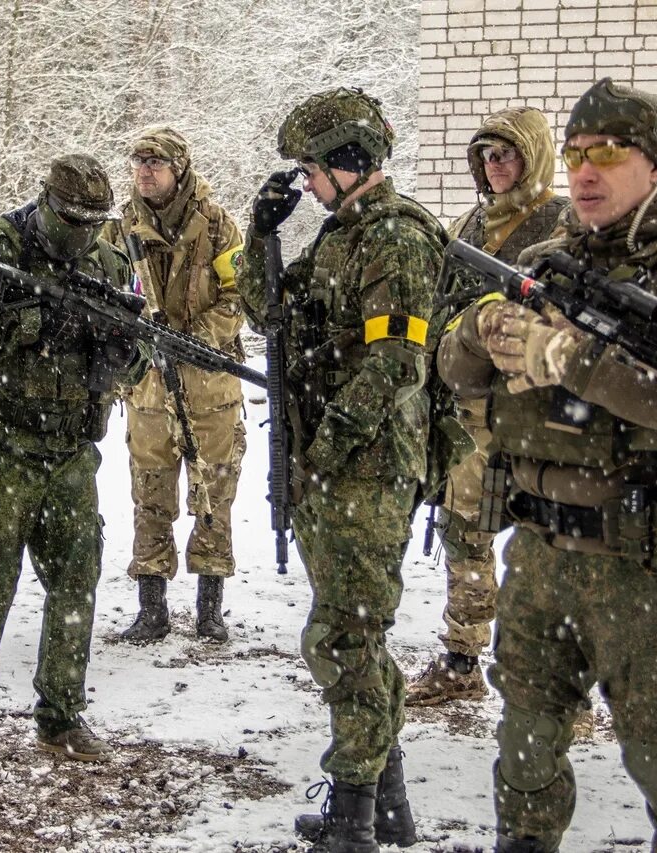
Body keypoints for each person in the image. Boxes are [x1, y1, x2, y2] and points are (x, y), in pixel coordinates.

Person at [438, 78, 657, 852]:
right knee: (524, 743)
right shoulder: (545, 262)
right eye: (577, 153)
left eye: (609, 153)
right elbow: (454, 368)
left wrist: (572, 358)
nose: (586, 171)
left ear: (654, 166)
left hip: (646, 563)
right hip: (541, 550)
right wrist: (480, 331)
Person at [237, 87, 449, 852]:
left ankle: (355, 812)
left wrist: (324, 449)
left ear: (352, 165)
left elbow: (396, 361)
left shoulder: (397, 240)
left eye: (313, 169)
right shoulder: (338, 237)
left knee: (344, 638)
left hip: (367, 471)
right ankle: (383, 802)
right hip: (334, 470)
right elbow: (268, 315)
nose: (308, 183)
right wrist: (259, 236)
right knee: (355, 635)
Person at [0, 154, 147, 768]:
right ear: (45, 204)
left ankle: (62, 717)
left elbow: (140, 354)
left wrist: (121, 349)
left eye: (94, 220)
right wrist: (22, 326)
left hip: (72, 450)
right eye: (72, 218)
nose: (83, 230)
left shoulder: (108, 263)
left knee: (76, 582)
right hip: (0, 445)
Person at [405, 107, 568, 706]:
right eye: (486, 156)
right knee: (464, 531)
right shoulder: (471, 223)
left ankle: (553, 686)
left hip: (537, 415)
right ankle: (461, 658)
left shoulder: (561, 222)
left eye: (506, 154)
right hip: (471, 409)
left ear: (533, 158)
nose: (495, 166)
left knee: (544, 544)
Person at [101, 126, 247, 644]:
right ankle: (152, 607)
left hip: (210, 385)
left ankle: (210, 608)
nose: (144, 170)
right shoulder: (118, 232)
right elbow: (103, 298)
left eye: (155, 162)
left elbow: (239, 297)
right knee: (150, 494)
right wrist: (134, 339)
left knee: (213, 494)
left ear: (178, 169)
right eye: (138, 161)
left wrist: (194, 339)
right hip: (147, 387)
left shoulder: (219, 227)